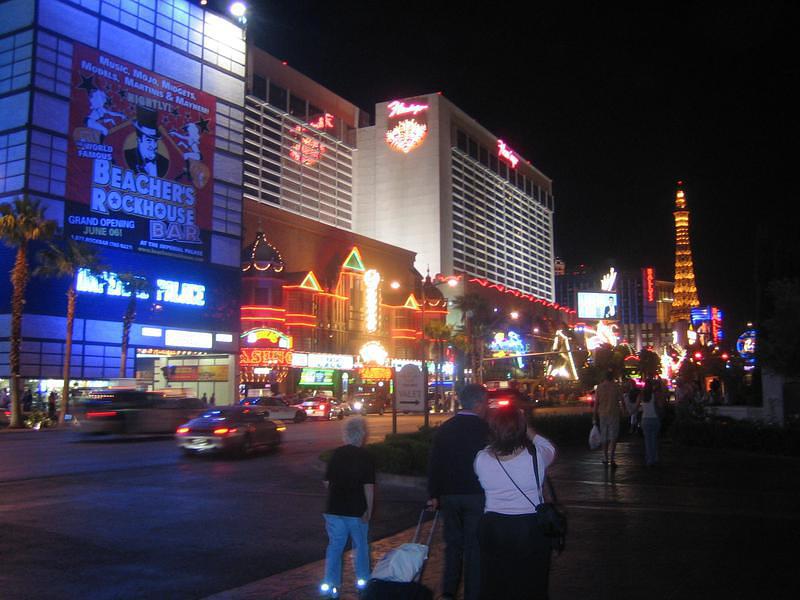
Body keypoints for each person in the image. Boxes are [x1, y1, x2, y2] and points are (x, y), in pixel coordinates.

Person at [474, 407, 557, 600]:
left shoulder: (481, 459)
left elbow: (490, 450)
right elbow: (549, 447)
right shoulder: (536, 457)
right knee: (532, 582)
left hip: (493, 525)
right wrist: (527, 427)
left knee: (494, 580)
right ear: (521, 429)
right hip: (528, 526)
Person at [428, 384, 489, 600]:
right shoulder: (485, 429)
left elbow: (435, 463)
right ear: (479, 404)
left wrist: (433, 494)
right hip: (476, 495)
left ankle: (448, 591)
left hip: (449, 495)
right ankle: (473, 593)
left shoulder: (446, 428)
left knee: (452, 545)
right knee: (474, 546)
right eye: (486, 402)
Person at [321, 417, 375, 598]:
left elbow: (327, 482)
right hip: (356, 509)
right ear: (362, 434)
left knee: (335, 546)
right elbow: (368, 486)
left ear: (346, 434)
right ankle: (362, 582)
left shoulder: (336, 454)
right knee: (360, 546)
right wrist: (369, 509)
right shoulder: (365, 456)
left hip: (334, 508)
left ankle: (331, 584)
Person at [124, 106, 169, 177]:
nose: (153, 146)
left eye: (155, 141)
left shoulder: (164, 163)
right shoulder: (128, 155)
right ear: (139, 140)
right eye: (148, 140)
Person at [592, 371, 624, 468]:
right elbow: (621, 400)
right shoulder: (616, 386)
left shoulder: (599, 387)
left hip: (602, 414)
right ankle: (612, 458)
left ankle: (605, 457)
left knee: (604, 436)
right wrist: (625, 410)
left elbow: (596, 403)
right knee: (613, 437)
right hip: (614, 414)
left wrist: (594, 416)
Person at [638, 379, 664, 467]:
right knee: (654, 439)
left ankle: (649, 459)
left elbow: (636, 406)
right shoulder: (655, 395)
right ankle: (654, 458)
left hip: (645, 419)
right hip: (654, 418)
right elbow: (660, 405)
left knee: (647, 441)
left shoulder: (642, 395)